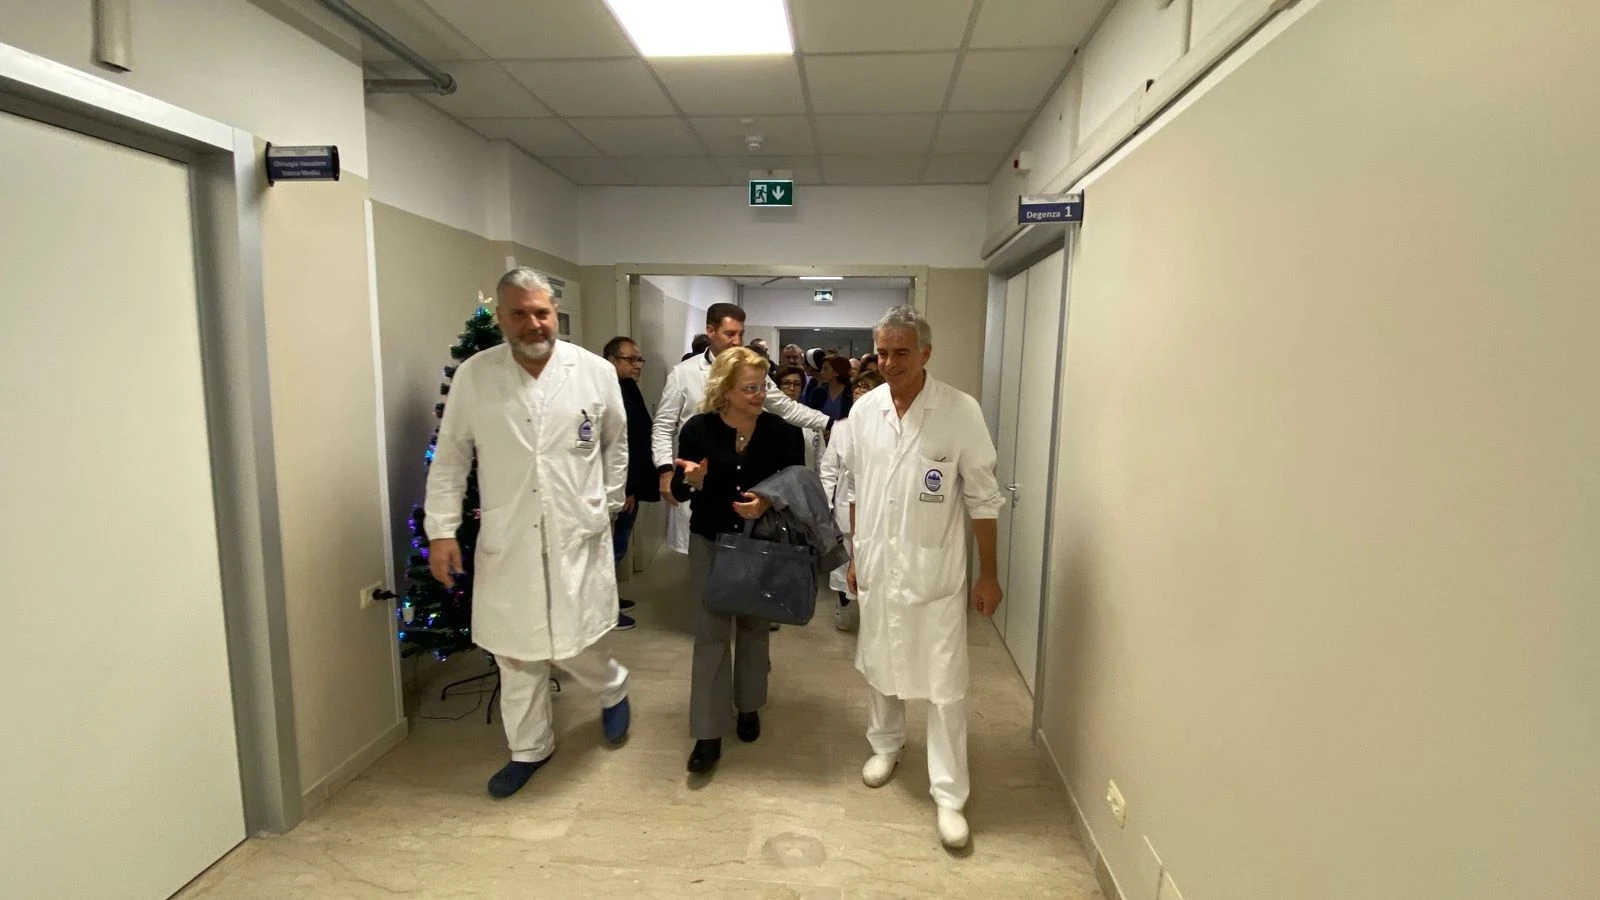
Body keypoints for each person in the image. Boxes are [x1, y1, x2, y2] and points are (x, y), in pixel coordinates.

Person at [425, 267, 631, 799]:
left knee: (578, 640)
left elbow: (615, 443)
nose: (534, 324)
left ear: (554, 312)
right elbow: (451, 458)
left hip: (576, 528)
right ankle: (529, 749)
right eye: (520, 313)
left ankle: (612, 688)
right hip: (510, 532)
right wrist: (442, 531)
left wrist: (607, 503)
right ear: (501, 317)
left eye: (542, 312)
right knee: (515, 651)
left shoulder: (593, 372)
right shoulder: (476, 375)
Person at [840, 305, 1002, 849]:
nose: (888, 363)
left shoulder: (959, 410)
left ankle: (950, 794)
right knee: (880, 661)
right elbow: (856, 489)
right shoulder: (864, 411)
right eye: (882, 352)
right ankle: (886, 744)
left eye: (901, 352)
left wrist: (989, 575)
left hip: (935, 570)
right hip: (878, 564)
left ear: (926, 353)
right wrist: (857, 555)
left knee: (944, 682)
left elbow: (983, 498)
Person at [670, 347, 805, 776]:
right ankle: (708, 732)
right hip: (710, 541)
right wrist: (692, 481)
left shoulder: (783, 433)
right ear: (725, 389)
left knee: (753, 628)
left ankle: (749, 706)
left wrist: (766, 501)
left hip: (760, 546)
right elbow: (679, 489)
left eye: (762, 386)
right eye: (749, 388)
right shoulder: (698, 429)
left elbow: (796, 486)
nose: (759, 395)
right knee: (710, 635)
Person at [651, 304, 830, 557]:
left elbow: (786, 408)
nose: (737, 341)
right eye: (730, 333)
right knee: (706, 562)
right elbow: (663, 425)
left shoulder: (755, 375)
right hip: (705, 487)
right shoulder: (684, 376)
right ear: (710, 331)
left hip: (755, 512)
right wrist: (665, 470)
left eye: (741, 334)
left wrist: (831, 423)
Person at [818, 369, 884, 632]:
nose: (860, 393)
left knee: (876, 563)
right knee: (845, 562)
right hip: (847, 508)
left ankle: (873, 614)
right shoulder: (841, 427)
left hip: (879, 508)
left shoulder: (890, 428)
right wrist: (825, 506)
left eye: (867, 388)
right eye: (857, 388)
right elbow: (828, 471)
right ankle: (844, 605)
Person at [603, 335, 658, 631]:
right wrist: (625, 489)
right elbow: (616, 446)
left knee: (619, 546)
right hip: (619, 488)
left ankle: (609, 599)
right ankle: (603, 611)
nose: (637, 365)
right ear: (611, 360)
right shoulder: (607, 393)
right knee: (612, 549)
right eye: (631, 359)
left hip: (630, 483)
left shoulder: (628, 388)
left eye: (639, 359)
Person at [774, 364, 824, 471]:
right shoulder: (767, 418)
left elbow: (820, 460)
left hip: (805, 477)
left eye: (796, 384)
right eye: (786, 383)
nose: (792, 388)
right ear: (778, 387)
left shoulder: (811, 416)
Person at [806, 355, 854, 424]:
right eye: (822, 369)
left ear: (837, 372)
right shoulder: (818, 392)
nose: (821, 372)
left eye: (825, 369)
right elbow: (810, 415)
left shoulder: (851, 394)